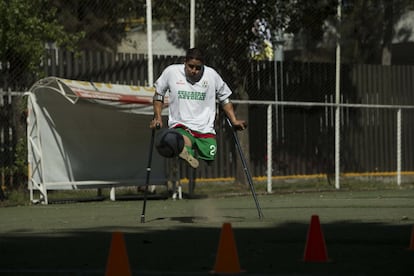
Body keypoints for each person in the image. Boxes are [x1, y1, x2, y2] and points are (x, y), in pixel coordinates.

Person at [150, 47, 247, 168]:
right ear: (184, 62)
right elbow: (159, 94)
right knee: (181, 141)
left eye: (198, 68)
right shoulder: (171, 72)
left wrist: (234, 120)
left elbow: (224, 98)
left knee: (210, 157)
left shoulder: (212, 75)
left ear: (203, 65)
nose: (194, 71)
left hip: (205, 128)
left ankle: (187, 151)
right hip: (181, 124)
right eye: (190, 66)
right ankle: (185, 151)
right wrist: (158, 117)